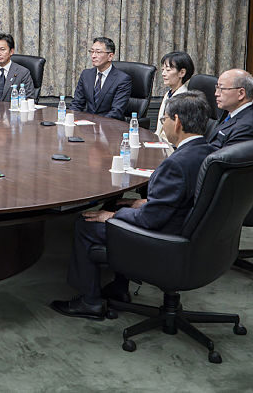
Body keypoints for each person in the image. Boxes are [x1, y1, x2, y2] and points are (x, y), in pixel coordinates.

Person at [51, 91, 218, 320]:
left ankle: (89, 302)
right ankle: (119, 289)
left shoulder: (176, 164)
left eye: (164, 119)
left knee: (86, 224)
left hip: (164, 238)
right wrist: (146, 202)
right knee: (120, 207)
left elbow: (149, 220)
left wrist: (112, 216)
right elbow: (187, 196)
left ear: (177, 121)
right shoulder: (208, 152)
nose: (163, 124)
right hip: (189, 231)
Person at [68, 37, 132, 120]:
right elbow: (77, 104)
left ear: (110, 56)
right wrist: (69, 119)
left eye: (98, 52)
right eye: (92, 51)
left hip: (110, 125)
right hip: (87, 124)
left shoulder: (122, 79)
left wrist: (95, 123)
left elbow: (116, 112)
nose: (93, 56)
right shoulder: (86, 74)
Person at [206, 68, 253, 147]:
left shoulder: (246, 128)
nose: (216, 93)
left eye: (221, 89)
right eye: (217, 88)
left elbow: (224, 155)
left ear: (241, 93)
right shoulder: (232, 113)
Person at [154, 51, 194, 144]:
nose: (163, 73)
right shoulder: (168, 94)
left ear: (182, 73)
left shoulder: (183, 99)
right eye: (163, 69)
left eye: (168, 70)